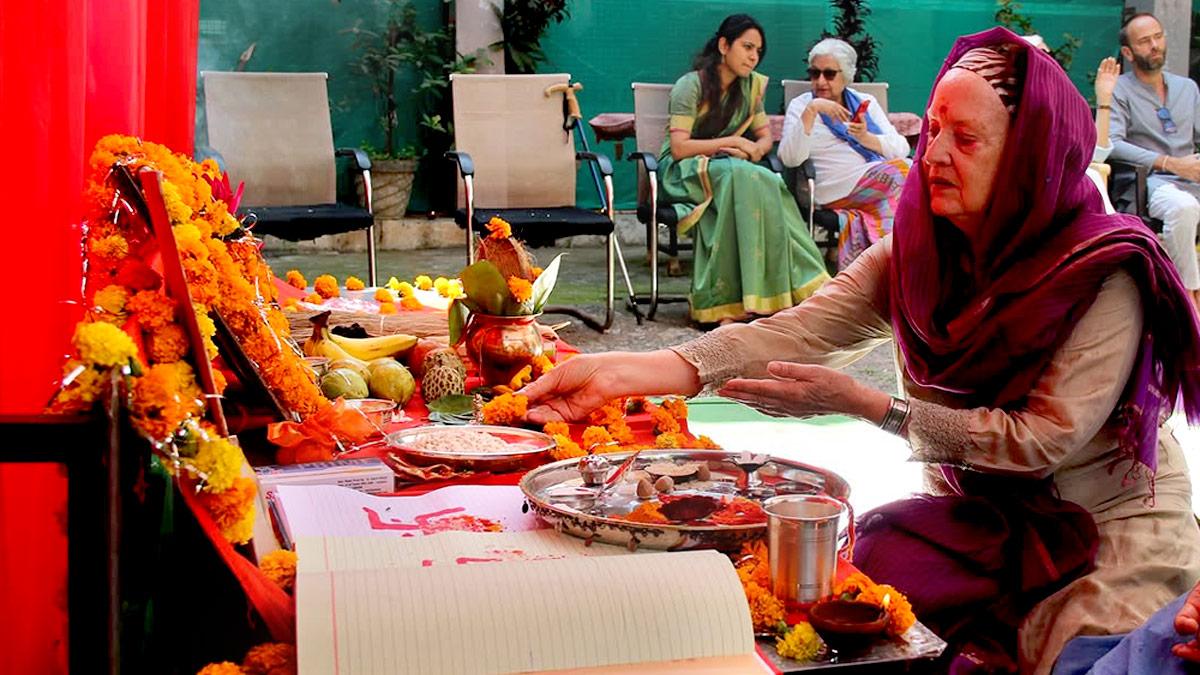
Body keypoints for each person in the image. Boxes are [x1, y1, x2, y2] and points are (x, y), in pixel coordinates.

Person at [525, 27, 1200, 674]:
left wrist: (874, 407)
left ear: (1030, 158)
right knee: (861, 587)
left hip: (1106, 526)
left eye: (964, 139)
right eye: (933, 130)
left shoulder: (1102, 273)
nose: (932, 156)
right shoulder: (919, 254)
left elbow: (1039, 440)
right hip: (990, 519)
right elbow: (789, 333)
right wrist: (612, 373)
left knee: (1075, 657)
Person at [657, 14, 829, 325]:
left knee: (764, 177)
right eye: (747, 47)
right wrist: (734, 140)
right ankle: (726, 304)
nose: (753, 56)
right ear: (724, 45)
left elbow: (764, 139)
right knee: (743, 176)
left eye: (758, 51)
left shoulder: (751, 88)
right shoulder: (690, 86)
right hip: (683, 170)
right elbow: (680, 147)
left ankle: (782, 294)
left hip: (729, 167)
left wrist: (754, 150)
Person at [778, 38, 910, 270]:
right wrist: (813, 110)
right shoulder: (802, 105)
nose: (820, 81)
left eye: (829, 74)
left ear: (847, 75)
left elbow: (901, 148)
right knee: (904, 173)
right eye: (814, 73)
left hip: (870, 181)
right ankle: (894, 264)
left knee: (913, 172)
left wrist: (866, 138)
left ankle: (887, 265)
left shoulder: (864, 102)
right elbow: (790, 158)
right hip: (829, 186)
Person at [1109, 12, 1200, 313]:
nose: (1155, 45)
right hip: (1153, 183)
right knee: (1184, 209)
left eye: (1158, 37)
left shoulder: (1188, 88)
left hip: (1194, 176)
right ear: (1128, 52)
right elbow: (1113, 145)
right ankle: (1187, 297)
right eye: (1145, 41)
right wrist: (1170, 163)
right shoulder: (1119, 90)